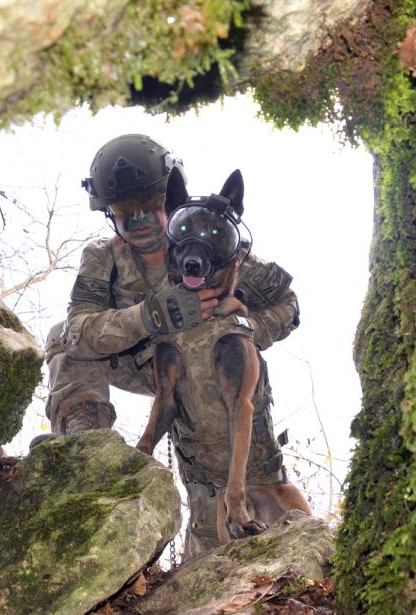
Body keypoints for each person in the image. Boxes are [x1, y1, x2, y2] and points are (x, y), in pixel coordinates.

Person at [41, 133, 301, 557]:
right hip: (141, 360)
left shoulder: (214, 241)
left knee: (217, 539)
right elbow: (78, 329)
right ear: (110, 216)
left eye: (151, 206)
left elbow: (288, 305)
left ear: (170, 200)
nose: (142, 221)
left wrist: (246, 327)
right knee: (61, 339)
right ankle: (87, 455)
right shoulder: (102, 259)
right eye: (127, 215)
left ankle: (227, 501)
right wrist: (149, 317)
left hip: (213, 370)